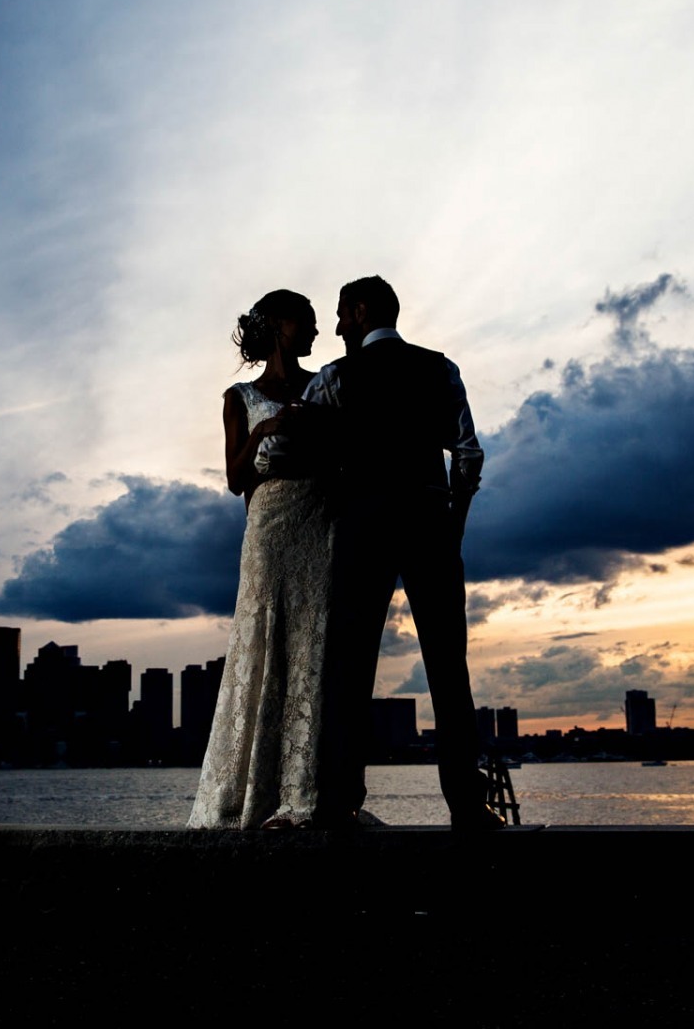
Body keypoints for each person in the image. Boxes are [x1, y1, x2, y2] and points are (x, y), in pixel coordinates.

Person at [304, 275, 503, 830]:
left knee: (349, 663)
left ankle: (338, 799)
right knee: (447, 664)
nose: (339, 327)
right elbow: (467, 455)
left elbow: (309, 459)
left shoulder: (335, 379)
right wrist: (452, 526)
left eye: (342, 315)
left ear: (362, 311)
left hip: (361, 526)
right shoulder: (440, 368)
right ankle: (467, 802)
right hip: (428, 521)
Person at [187, 289, 335, 829]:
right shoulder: (241, 396)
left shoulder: (323, 386)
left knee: (315, 646)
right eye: (309, 321)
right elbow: (232, 480)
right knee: (265, 639)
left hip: (321, 524)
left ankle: (309, 791)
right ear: (278, 324)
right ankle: (251, 791)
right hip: (269, 528)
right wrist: (264, 430)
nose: (317, 331)